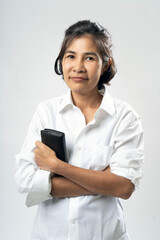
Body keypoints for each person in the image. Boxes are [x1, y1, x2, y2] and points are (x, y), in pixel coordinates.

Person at [15, 20, 144, 240]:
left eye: (90, 58)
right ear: (62, 61)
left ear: (105, 64)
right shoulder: (46, 112)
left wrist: (57, 167)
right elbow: (25, 181)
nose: (78, 67)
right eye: (71, 56)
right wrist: (103, 182)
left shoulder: (124, 117)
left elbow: (123, 187)